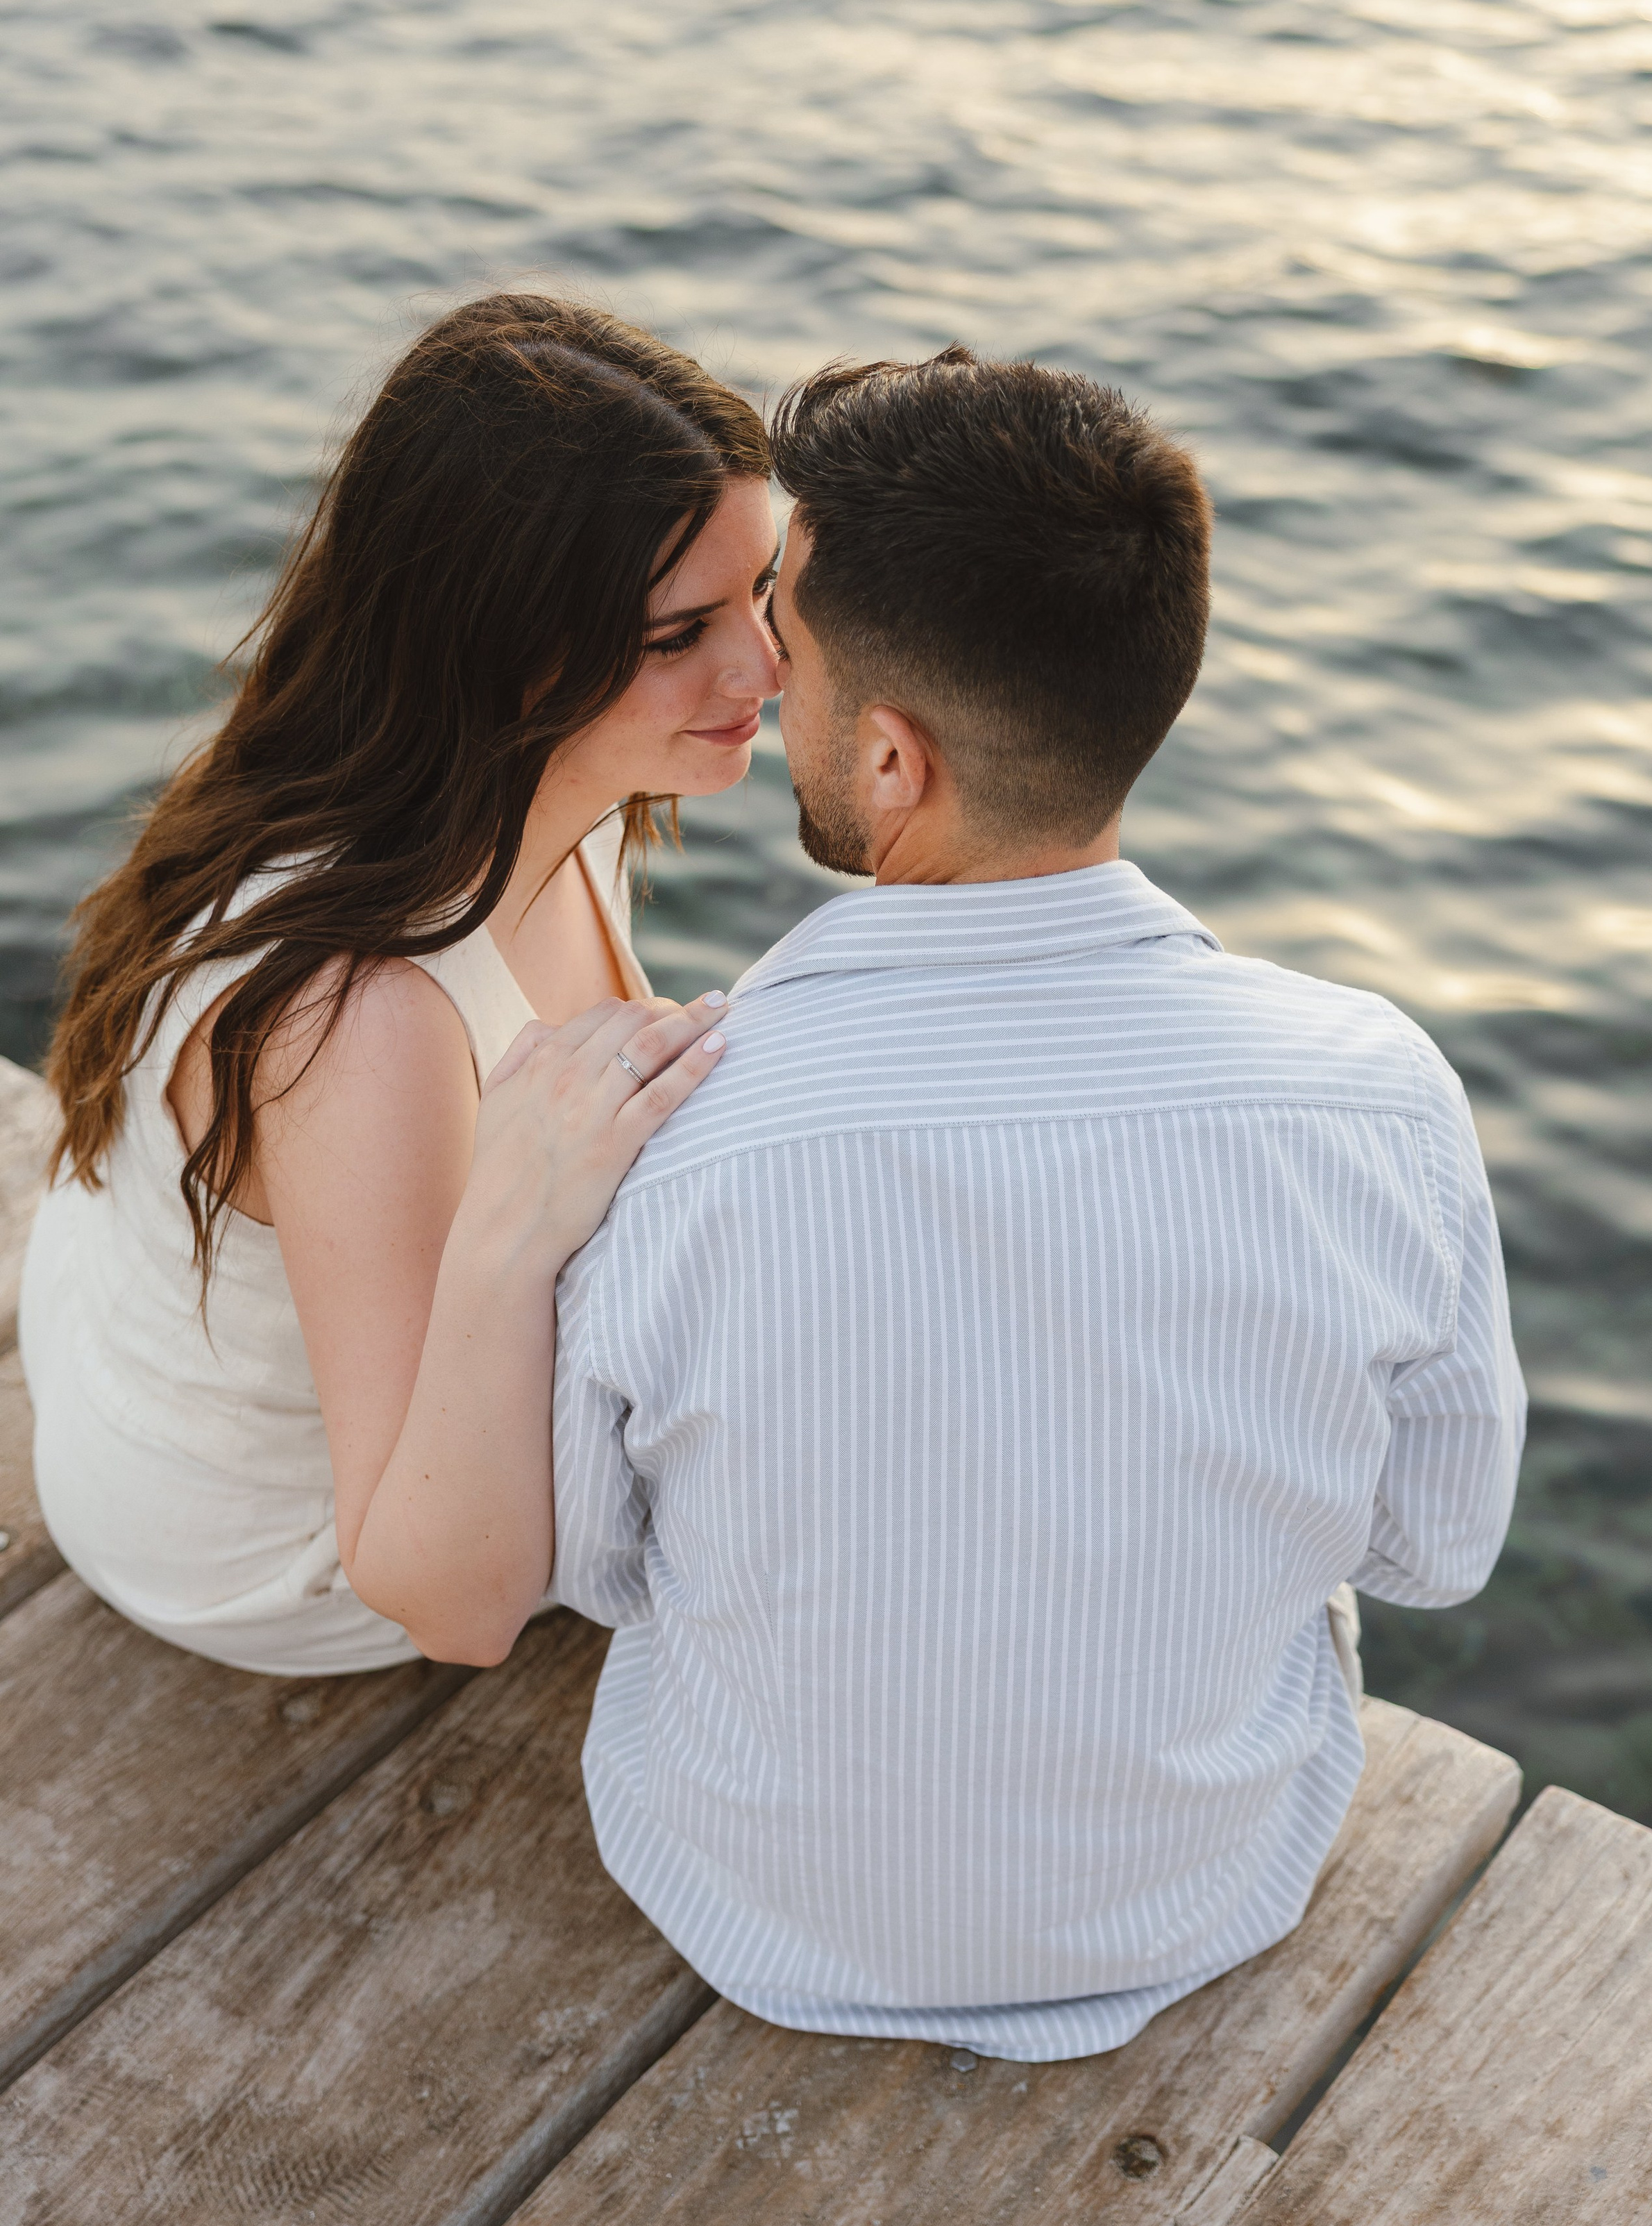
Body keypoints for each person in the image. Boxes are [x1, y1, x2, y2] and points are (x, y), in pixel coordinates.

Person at [550, 344, 1526, 2064]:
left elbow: (592, 1567)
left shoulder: (673, 1131)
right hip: (1201, 1893)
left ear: (895, 768)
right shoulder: (1378, 1095)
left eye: (786, 624)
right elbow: (1433, 1551)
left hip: (743, 1899)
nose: (763, 673)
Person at [22, 294, 778, 1677]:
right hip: (281, 1546)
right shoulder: (356, 1019)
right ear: (502, 645)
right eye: (682, 635)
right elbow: (451, 1603)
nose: (766, 669)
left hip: (193, 1347)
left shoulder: (555, 785)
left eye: (765, 594)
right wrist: (515, 1223)